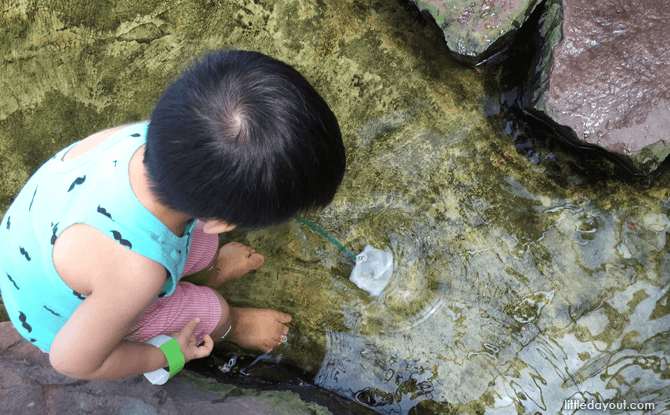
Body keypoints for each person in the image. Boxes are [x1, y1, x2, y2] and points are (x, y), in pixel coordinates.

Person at [0, 49, 346, 382]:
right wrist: (165, 355)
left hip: (44, 255)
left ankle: (208, 270)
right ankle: (235, 325)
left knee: (201, 242)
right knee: (212, 311)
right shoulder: (138, 273)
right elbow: (71, 360)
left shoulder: (145, 137)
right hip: (64, 318)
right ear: (226, 222)